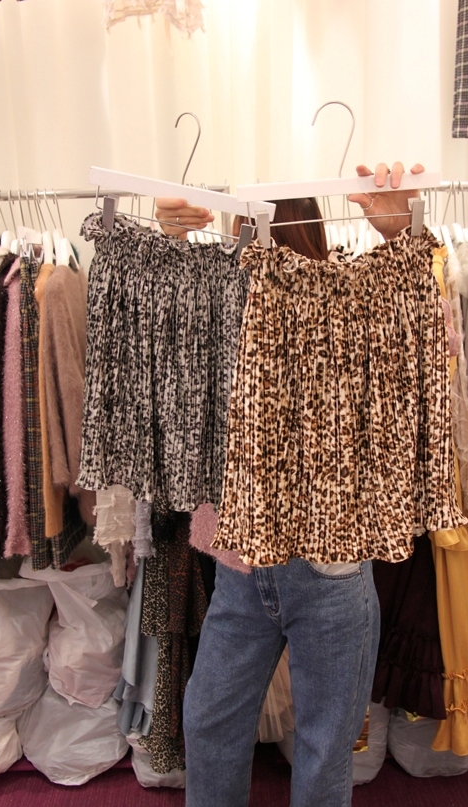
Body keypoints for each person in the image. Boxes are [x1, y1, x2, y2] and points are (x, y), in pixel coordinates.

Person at [155, 162, 426, 807]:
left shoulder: (347, 306)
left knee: (325, 749)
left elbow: (412, 333)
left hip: (330, 573)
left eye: (248, 227)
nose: (241, 241)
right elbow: (163, 338)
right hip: (242, 568)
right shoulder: (223, 301)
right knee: (209, 720)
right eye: (236, 228)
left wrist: (401, 235)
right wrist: (172, 244)